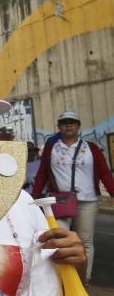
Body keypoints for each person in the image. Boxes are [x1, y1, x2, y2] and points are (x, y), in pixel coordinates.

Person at [31, 111, 114, 282]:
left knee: (85, 241)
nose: (68, 125)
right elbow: (42, 174)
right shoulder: (52, 148)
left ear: (78, 126)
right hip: (61, 200)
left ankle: (84, 279)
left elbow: (105, 173)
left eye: (72, 122)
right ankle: (63, 280)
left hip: (87, 201)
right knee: (59, 239)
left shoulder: (91, 148)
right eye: (64, 122)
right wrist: (33, 199)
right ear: (59, 127)